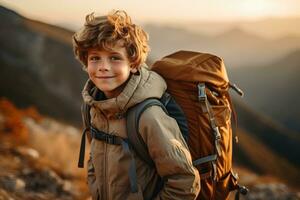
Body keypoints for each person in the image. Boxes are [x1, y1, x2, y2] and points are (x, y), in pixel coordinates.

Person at [72, 10, 200, 200]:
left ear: (133, 64)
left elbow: (185, 181)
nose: (103, 66)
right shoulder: (94, 107)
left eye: (114, 57)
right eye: (95, 58)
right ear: (86, 61)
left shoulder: (148, 116)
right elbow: (95, 159)